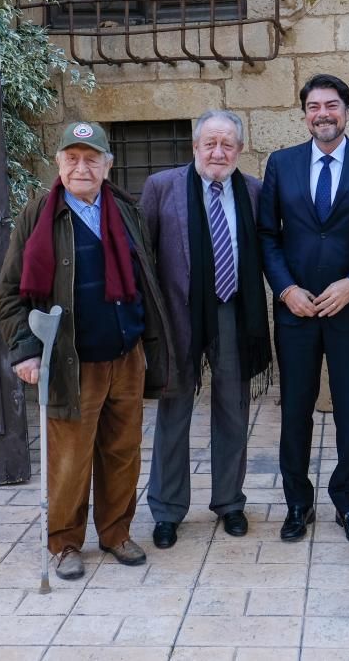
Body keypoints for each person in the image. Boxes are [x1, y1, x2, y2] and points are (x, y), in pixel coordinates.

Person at [0, 122, 174, 580]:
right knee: (70, 459)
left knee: (122, 452)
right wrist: (25, 350)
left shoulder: (126, 210)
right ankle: (65, 543)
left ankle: (115, 533)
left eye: (91, 158)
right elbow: (10, 293)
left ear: (107, 165)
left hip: (126, 355)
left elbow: (147, 282)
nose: (81, 167)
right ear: (58, 164)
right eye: (71, 158)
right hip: (72, 361)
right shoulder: (39, 215)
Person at [258, 74, 349, 546]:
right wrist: (285, 289)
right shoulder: (282, 164)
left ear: (348, 111)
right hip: (296, 311)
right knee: (295, 409)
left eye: (332, 105)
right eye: (314, 106)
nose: (323, 113)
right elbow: (268, 236)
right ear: (304, 115)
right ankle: (298, 502)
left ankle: (348, 503)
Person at [139, 110, 271, 549]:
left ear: (239, 149)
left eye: (227, 144)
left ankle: (229, 502)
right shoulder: (163, 187)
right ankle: (166, 509)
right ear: (194, 146)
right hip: (179, 316)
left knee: (233, 409)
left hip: (234, 310)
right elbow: (144, 257)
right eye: (210, 143)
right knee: (173, 412)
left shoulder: (253, 191)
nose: (218, 152)